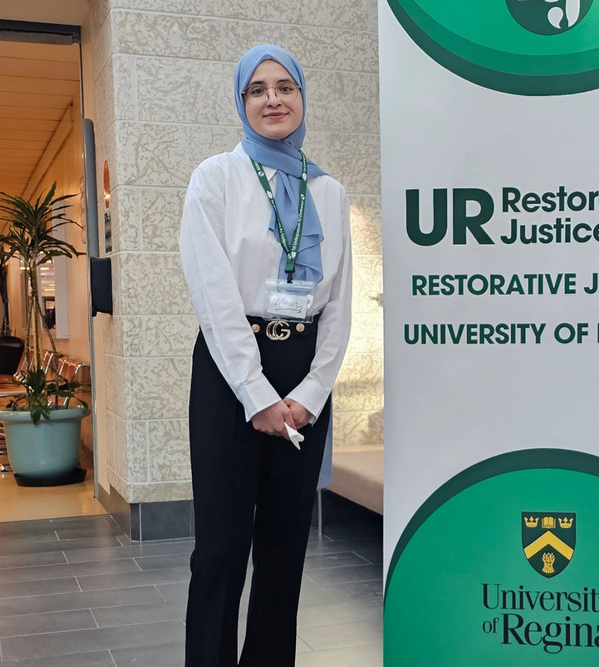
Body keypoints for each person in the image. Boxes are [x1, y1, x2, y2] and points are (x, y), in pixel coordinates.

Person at [178, 44, 352, 667]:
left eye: (286, 87)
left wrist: (307, 397)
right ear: (241, 102)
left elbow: (339, 308)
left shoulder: (328, 191)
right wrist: (256, 395)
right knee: (222, 549)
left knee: (285, 550)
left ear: (303, 98)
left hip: (303, 378)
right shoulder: (215, 179)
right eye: (257, 89)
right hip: (230, 373)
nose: (273, 99)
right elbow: (214, 295)